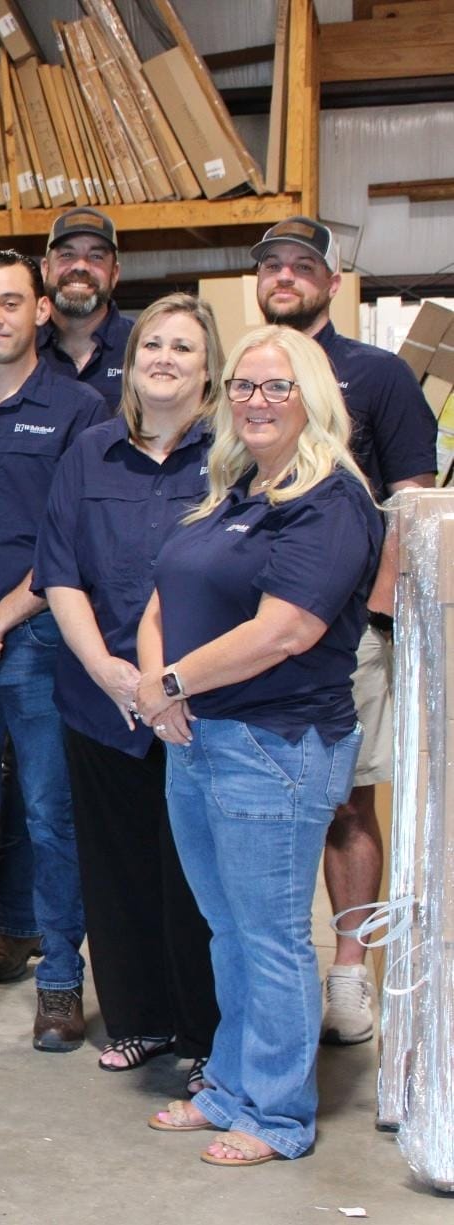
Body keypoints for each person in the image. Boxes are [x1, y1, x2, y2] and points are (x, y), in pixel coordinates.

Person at [138, 324, 381, 1166]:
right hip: (202, 737)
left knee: (270, 934)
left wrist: (168, 684)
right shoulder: (238, 489)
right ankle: (232, 1087)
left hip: (275, 745)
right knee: (228, 930)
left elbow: (285, 630)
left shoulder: (330, 502)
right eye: (243, 385)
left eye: (276, 386)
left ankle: (277, 1115)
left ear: (311, 397)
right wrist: (155, 681)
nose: (255, 400)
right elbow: (164, 592)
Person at [251, 216, 436, 1044]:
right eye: (271, 267)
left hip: (342, 631)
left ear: (331, 283)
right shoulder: (246, 369)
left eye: (301, 266)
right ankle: (272, 969)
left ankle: (350, 970)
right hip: (246, 625)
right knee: (258, 797)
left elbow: (413, 503)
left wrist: (371, 613)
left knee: (344, 800)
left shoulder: (377, 375)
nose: (283, 277)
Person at [33, 294, 221, 1090]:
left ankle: (209, 1031)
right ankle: (140, 1017)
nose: (164, 358)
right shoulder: (89, 452)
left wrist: (167, 682)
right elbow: (59, 573)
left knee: (199, 877)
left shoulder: (231, 456)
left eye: (183, 346)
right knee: (115, 868)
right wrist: (108, 672)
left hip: (202, 706)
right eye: (152, 344)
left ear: (208, 366)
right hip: (102, 703)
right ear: (130, 360)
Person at [0, 250, 109, 1049]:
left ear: (41, 311)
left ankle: (60, 984)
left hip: (36, 633)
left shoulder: (76, 409)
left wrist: (0, 616)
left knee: (49, 812)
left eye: (10, 301)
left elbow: (74, 535)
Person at [40, 208, 133, 406]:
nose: (81, 266)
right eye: (67, 254)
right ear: (45, 268)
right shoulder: (19, 347)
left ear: (114, 273)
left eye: (96, 256)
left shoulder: (144, 347)